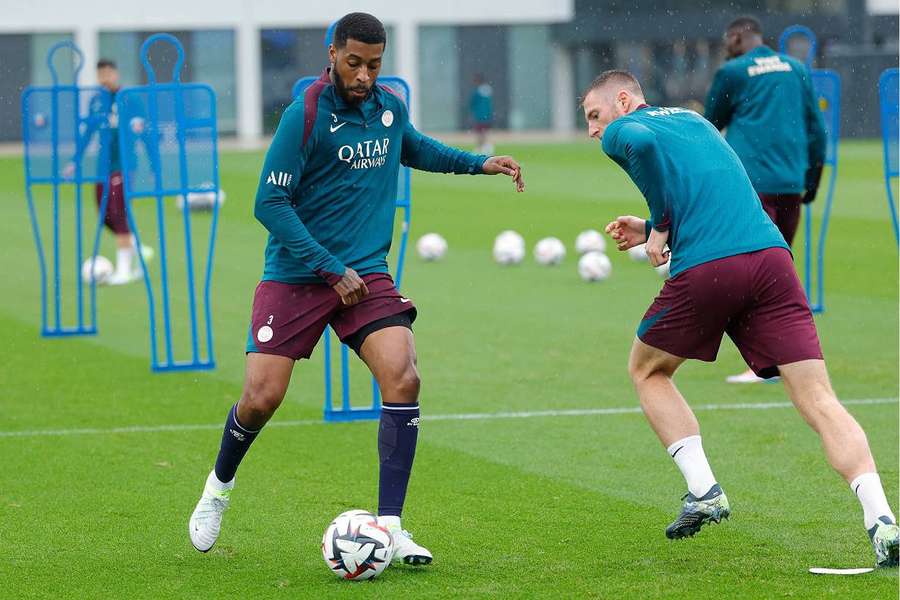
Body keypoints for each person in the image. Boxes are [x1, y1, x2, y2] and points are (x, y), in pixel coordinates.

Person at [188, 12, 525, 566]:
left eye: (373, 64)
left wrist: (479, 163)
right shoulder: (306, 114)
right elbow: (268, 204)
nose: (364, 76)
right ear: (331, 53)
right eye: (354, 63)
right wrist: (327, 267)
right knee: (262, 397)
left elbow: (413, 148)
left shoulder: (389, 106)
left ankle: (389, 527)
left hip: (365, 270)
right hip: (298, 272)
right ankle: (218, 488)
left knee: (403, 375)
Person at [582, 69, 898, 567]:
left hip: (710, 267)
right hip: (771, 260)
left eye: (595, 116)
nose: (594, 130)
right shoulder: (695, 122)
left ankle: (704, 490)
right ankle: (882, 520)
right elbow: (716, 197)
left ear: (623, 100)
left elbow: (639, 140)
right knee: (819, 399)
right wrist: (649, 225)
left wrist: (660, 228)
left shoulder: (627, 128)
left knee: (647, 370)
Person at [704, 16, 827, 384]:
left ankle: (764, 362)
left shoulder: (733, 72)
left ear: (739, 36)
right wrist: (812, 180)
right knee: (779, 271)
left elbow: (708, 128)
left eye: (728, 40)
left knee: (749, 272)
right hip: (790, 183)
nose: (726, 46)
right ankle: (790, 359)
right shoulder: (796, 69)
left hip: (749, 186)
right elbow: (816, 130)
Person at [68, 59, 152, 285]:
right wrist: (75, 160)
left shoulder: (129, 99)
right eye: (100, 74)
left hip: (124, 164)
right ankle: (137, 248)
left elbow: (145, 131)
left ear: (116, 74)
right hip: (102, 167)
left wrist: (154, 165)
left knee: (118, 211)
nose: (105, 77)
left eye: (108, 73)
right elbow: (88, 132)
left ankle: (124, 270)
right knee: (104, 215)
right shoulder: (97, 101)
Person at [469, 74, 494, 154]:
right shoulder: (488, 90)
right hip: (487, 115)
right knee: (485, 132)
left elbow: (472, 103)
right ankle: (487, 147)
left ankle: (480, 148)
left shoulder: (477, 92)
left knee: (480, 133)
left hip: (480, 115)